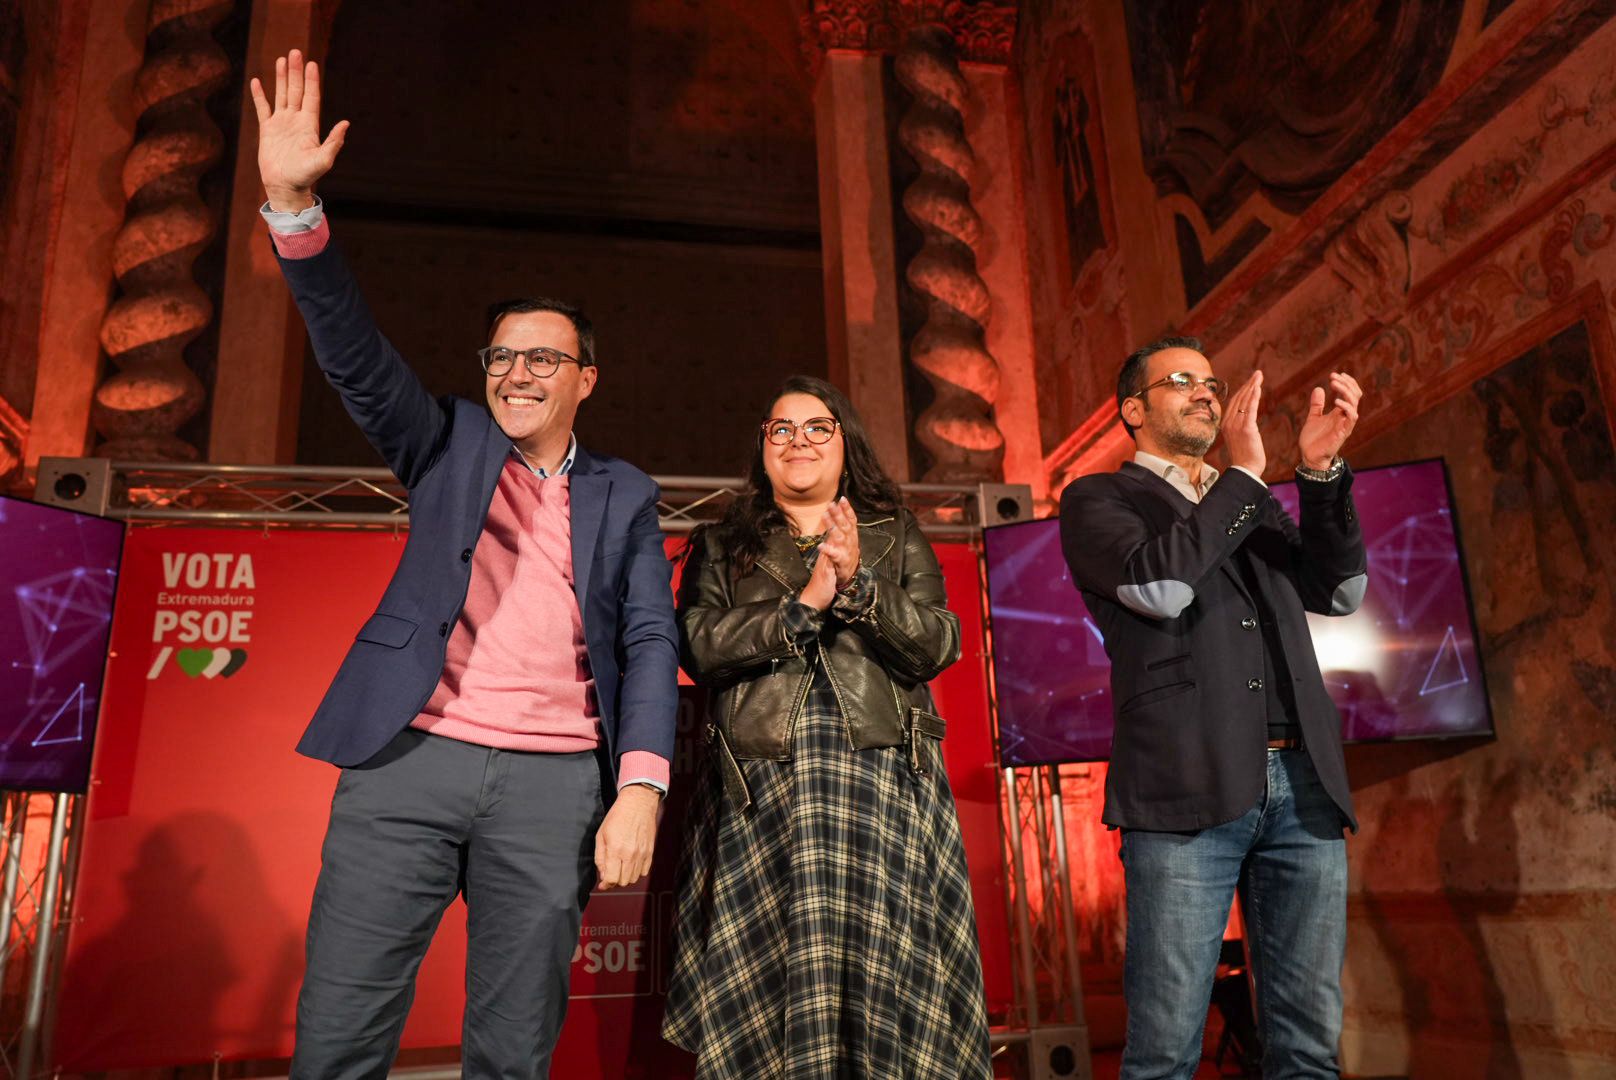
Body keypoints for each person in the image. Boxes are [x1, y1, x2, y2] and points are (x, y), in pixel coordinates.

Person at [250, 52, 679, 1078]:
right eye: (500, 357)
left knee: (512, 1045)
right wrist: (292, 204)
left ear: (587, 378)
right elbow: (350, 350)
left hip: (553, 787)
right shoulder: (443, 442)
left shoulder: (624, 492)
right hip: (407, 761)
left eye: (542, 358)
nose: (516, 372)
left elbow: (649, 639)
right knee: (339, 1035)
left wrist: (641, 788)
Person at [663, 376, 991, 1079]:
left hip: (881, 786)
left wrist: (862, 588)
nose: (798, 441)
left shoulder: (893, 532)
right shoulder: (722, 543)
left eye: (818, 427)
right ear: (762, 445)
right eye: (780, 428)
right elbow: (698, 646)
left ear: (846, 444)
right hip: (764, 793)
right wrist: (803, 605)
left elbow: (939, 643)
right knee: (774, 990)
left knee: (889, 981)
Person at [1059, 337, 1368, 1079]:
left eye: (1210, 381)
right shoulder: (1099, 499)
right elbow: (1158, 589)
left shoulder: (1245, 505)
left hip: (1305, 789)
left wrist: (1320, 475)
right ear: (1134, 410)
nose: (1205, 392)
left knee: (1308, 1048)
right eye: (1181, 381)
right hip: (1184, 789)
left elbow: (1340, 592)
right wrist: (1246, 475)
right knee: (1165, 1052)